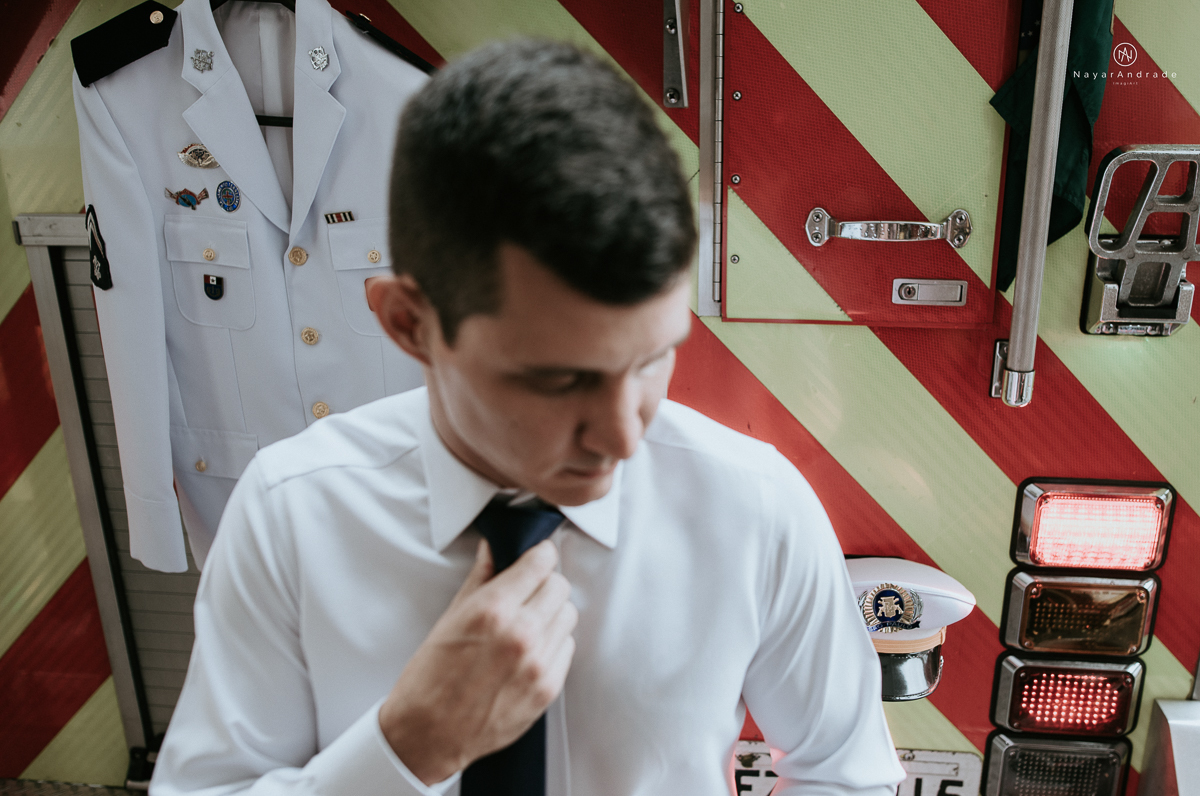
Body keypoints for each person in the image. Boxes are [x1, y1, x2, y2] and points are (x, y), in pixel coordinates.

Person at [152, 39, 905, 796]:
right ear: (410, 323)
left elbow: (850, 778)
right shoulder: (289, 516)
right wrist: (406, 749)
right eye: (558, 379)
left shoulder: (755, 509)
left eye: (651, 359)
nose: (622, 435)